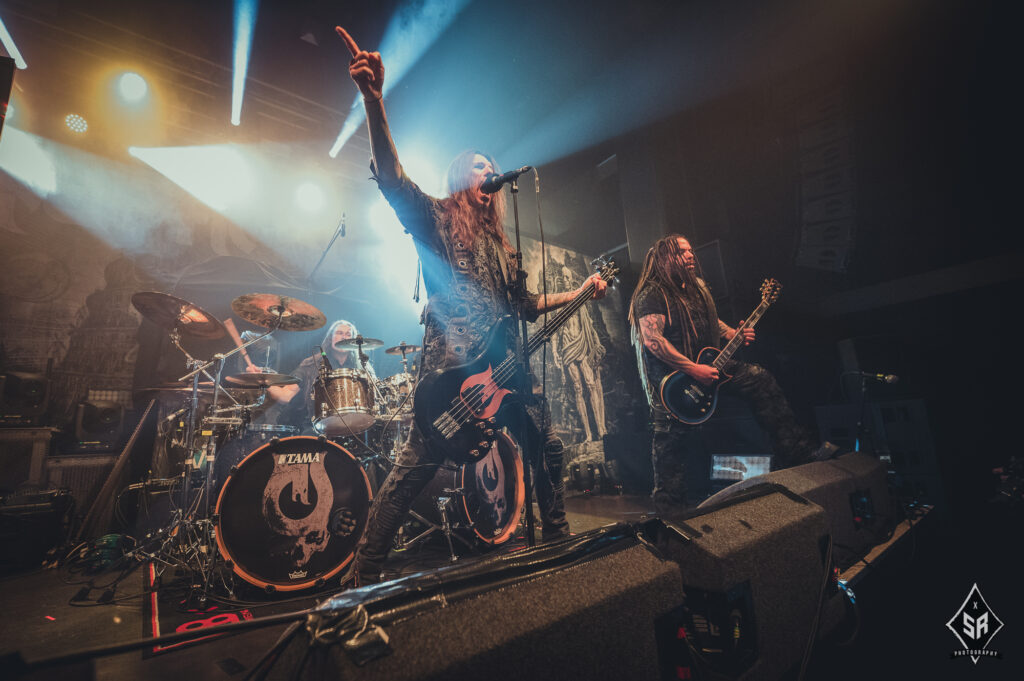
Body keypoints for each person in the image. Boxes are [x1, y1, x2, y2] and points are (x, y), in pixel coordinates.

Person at [336, 26, 608, 584]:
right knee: (412, 470)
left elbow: (528, 304)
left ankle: (556, 542)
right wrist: (373, 102)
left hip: (508, 372)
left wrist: (581, 292)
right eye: (481, 166)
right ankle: (362, 576)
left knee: (548, 447)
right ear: (464, 176)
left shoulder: (504, 248)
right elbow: (391, 179)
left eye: (493, 166)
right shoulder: (437, 219)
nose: (492, 172)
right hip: (452, 372)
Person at [628, 235, 817, 511]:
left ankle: (795, 452)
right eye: (682, 252)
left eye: (691, 250)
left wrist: (731, 331)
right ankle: (669, 509)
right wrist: (693, 369)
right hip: (674, 380)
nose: (691, 255)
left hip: (709, 366)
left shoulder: (695, 289)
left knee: (760, 379)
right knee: (671, 444)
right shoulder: (653, 294)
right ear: (666, 258)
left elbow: (707, 318)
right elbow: (652, 340)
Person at [268, 319, 377, 433]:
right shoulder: (311, 364)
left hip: (355, 428)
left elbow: (375, 397)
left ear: (354, 341)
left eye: (348, 334)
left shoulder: (363, 367)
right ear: (330, 338)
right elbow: (285, 395)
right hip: (316, 429)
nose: (343, 337)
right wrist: (263, 381)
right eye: (339, 333)